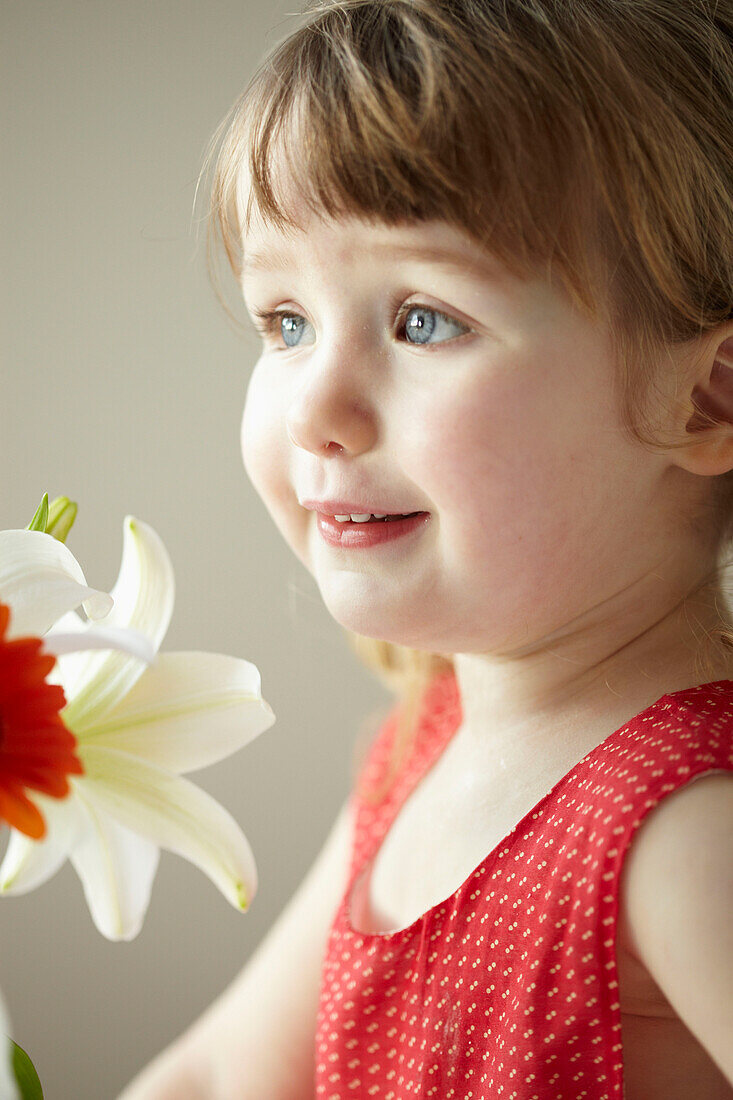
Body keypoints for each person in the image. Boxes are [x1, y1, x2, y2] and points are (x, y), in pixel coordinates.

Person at [117, 0, 733, 1096]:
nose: (318, 408)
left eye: (423, 319)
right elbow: (221, 1075)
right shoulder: (420, 745)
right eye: (286, 321)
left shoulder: (687, 828)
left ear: (705, 398)